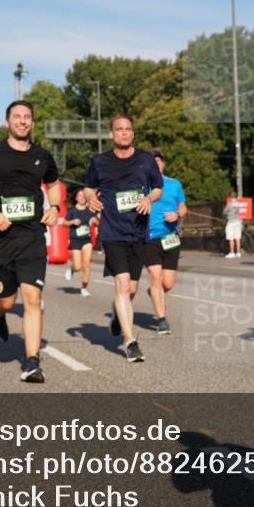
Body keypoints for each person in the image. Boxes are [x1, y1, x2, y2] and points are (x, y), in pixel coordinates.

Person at [0, 100, 62, 384]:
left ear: (32, 122)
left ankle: (32, 362)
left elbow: (54, 184)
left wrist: (54, 208)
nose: (22, 121)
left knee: (33, 299)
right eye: (17, 117)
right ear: (7, 122)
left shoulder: (42, 156)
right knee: (7, 301)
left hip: (32, 237)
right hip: (0, 238)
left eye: (27, 117)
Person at [84, 114, 162, 362]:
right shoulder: (100, 161)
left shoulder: (146, 160)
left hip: (138, 230)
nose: (124, 133)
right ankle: (130, 341)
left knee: (133, 288)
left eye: (128, 129)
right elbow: (88, 187)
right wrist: (90, 198)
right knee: (123, 284)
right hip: (112, 231)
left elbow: (157, 188)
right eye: (119, 129)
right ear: (111, 134)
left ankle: (119, 313)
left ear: (133, 133)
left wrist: (149, 198)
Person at [144, 148, 187, 335]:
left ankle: (154, 292)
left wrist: (177, 214)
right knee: (155, 275)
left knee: (167, 284)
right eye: (152, 161)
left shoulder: (174, 184)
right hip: (149, 236)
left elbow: (183, 207)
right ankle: (161, 320)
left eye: (159, 161)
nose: (156, 164)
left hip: (170, 236)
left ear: (164, 164)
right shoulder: (142, 185)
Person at [63, 188, 98, 297]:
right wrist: (72, 221)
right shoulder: (72, 211)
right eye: (80, 196)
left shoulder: (90, 210)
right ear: (76, 198)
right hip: (75, 239)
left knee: (86, 264)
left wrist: (96, 221)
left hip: (86, 239)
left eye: (84, 196)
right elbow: (64, 223)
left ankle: (84, 288)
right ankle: (72, 269)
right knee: (78, 266)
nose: (82, 198)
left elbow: (97, 221)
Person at [222, 191, 243, 258]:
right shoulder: (238, 203)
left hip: (231, 222)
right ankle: (238, 253)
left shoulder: (229, 204)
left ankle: (232, 252)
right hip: (238, 222)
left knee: (231, 238)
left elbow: (224, 212)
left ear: (230, 196)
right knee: (237, 238)